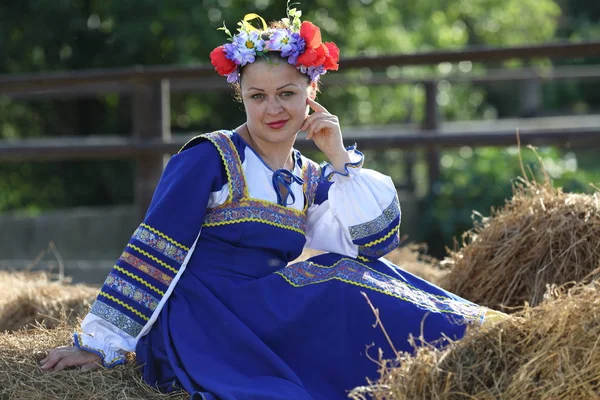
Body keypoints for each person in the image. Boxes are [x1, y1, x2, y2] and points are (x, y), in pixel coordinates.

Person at [40, 6, 502, 399]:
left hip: (265, 308)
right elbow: (154, 251)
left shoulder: (308, 174)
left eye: (287, 94)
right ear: (239, 95)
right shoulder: (209, 157)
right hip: (207, 317)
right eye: (257, 96)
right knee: (335, 281)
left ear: (311, 94)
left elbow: (375, 243)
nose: (272, 109)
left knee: (363, 273)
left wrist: (339, 158)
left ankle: (488, 338)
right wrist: (100, 343)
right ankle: (476, 345)